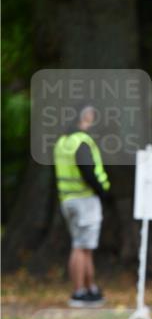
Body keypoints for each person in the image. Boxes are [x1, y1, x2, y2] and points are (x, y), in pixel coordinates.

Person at [54, 105, 112, 307]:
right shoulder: (81, 141)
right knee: (80, 246)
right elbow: (88, 171)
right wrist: (102, 192)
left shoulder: (62, 142)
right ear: (82, 118)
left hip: (68, 199)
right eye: (89, 117)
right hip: (85, 199)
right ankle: (79, 292)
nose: (92, 121)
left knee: (84, 246)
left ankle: (90, 289)